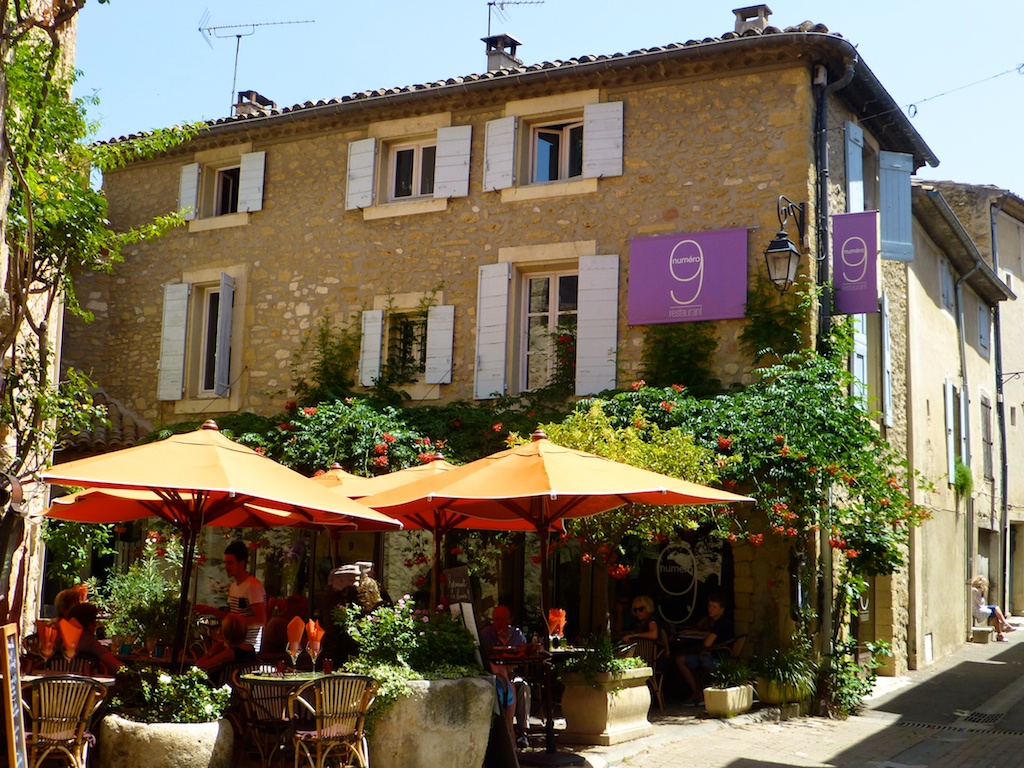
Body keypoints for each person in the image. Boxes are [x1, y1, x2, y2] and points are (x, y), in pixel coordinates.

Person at [194, 541, 268, 650]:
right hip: (234, 646)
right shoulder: (234, 587)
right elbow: (232, 617)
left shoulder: (252, 586)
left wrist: (233, 628)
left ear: (241, 563)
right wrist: (210, 610)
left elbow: (260, 620)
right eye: (225, 563)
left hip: (248, 648)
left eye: (230, 563)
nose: (226, 567)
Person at [480, 605, 532, 750]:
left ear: (509, 620)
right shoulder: (486, 635)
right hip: (494, 677)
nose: (499, 623)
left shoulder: (517, 635)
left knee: (524, 687)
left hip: (512, 673)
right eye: (496, 619)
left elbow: (526, 652)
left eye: (502, 620)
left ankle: (523, 732)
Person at [676, 591, 735, 706]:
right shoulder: (721, 622)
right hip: (720, 657)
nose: (710, 609)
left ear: (721, 609)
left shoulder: (720, 624)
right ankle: (698, 693)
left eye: (714, 607)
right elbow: (710, 634)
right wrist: (694, 632)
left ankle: (697, 693)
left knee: (680, 660)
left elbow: (707, 643)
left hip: (716, 660)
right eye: (709, 606)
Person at [66, 603, 123, 675]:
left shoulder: (58, 639)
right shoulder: (89, 643)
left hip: (53, 684)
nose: (96, 625)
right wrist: (131, 673)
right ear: (89, 624)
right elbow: (115, 666)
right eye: (95, 621)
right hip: (85, 685)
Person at [972, 575, 1015, 641]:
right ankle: (1003, 628)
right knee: (995, 611)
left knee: (996, 609)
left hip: (980, 607)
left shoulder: (977, 591)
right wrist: (982, 595)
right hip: (977, 610)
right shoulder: (974, 591)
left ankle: (1002, 631)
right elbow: (980, 603)